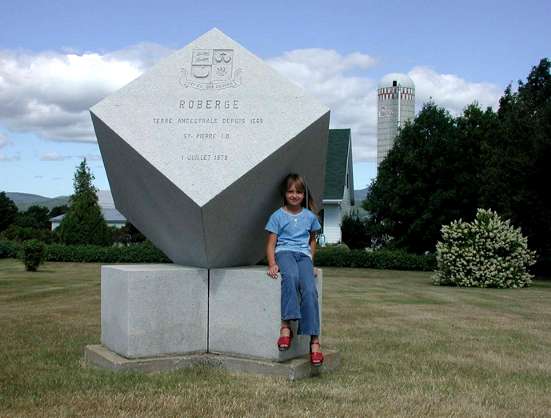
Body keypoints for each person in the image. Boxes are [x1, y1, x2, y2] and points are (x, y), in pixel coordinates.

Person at [265, 173, 324, 366]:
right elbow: (271, 244)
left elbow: (312, 240)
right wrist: (272, 263)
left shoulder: (309, 216)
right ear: (285, 193)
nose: (294, 195)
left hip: (303, 256)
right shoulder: (277, 216)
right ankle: (286, 327)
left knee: (309, 289)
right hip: (284, 253)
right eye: (290, 191)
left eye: (298, 192)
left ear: (304, 194)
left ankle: (314, 341)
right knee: (290, 277)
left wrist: (310, 261)